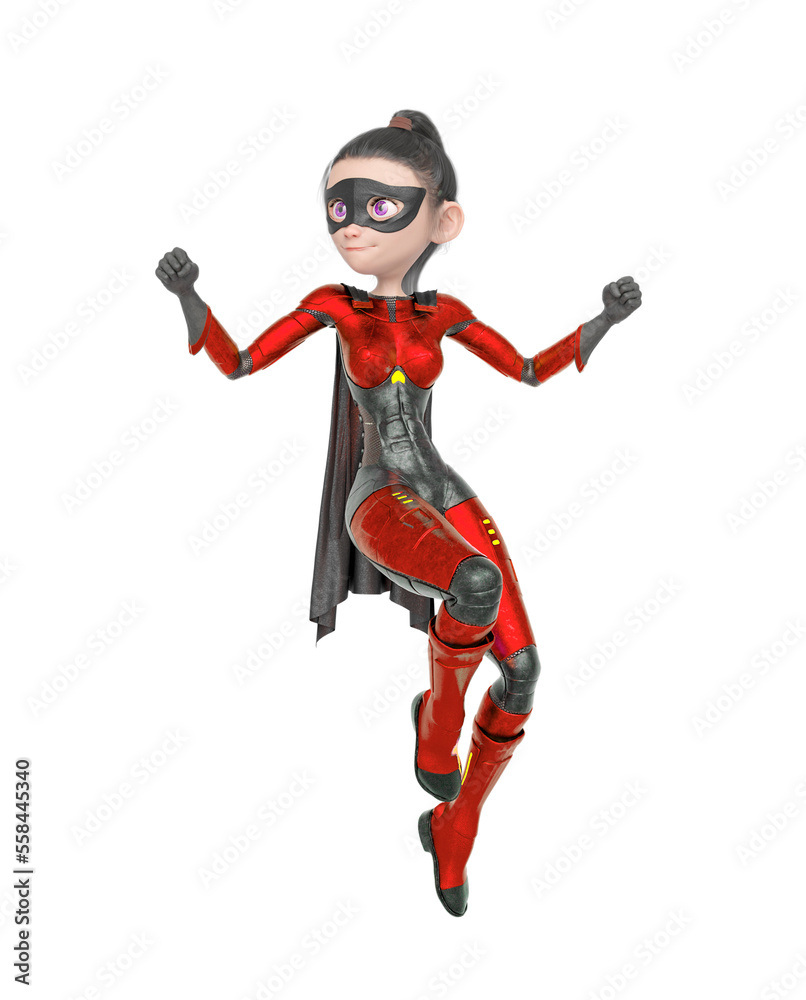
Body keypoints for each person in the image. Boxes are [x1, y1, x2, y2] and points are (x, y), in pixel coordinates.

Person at [155, 109, 642, 916]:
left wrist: (605, 322)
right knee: (475, 584)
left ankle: (455, 825)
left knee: (524, 672)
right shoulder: (334, 306)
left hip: (444, 487)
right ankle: (438, 726)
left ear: (441, 221)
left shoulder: (443, 315)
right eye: (339, 206)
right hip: (379, 493)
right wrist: (188, 296)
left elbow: (527, 369)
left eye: (380, 206)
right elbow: (239, 362)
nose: (351, 225)